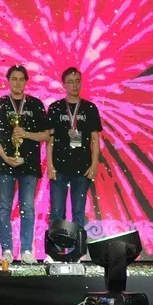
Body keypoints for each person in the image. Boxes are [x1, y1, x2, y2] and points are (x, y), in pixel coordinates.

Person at [0, 65, 50, 265]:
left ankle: (26, 250)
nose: (17, 83)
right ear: (8, 81)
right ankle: (6, 250)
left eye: (21, 79)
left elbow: (45, 135)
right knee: (4, 207)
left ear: (26, 81)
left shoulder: (35, 104)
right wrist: (5, 157)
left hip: (29, 164)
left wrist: (26, 134)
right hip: (4, 164)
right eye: (14, 79)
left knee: (28, 207)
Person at [47, 67, 103, 231]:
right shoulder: (55, 108)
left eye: (77, 81)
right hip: (59, 167)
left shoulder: (90, 108)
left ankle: (76, 246)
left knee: (78, 212)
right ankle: (56, 246)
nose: (75, 85)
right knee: (57, 212)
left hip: (83, 168)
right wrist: (50, 165)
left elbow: (95, 139)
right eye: (70, 82)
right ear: (64, 85)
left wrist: (94, 165)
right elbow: (50, 139)